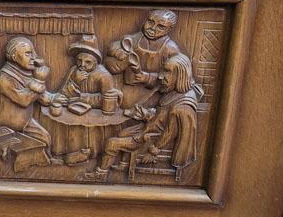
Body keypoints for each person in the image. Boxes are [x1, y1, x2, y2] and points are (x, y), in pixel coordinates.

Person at [87, 53, 203, 182]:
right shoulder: (174, 94)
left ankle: (101, 174)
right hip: (150, 129)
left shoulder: (182, 106)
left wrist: (153, 151)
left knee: (111, 144)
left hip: (150, 139)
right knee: (123, 132)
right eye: (163, 70)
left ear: (181, 75)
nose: (160, 76)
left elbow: (170, 132)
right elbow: (162, 117)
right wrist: (146, 114)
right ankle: (124, 165)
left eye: (167, 72)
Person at [0, 37, 66, 164]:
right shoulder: (5, 78)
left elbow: (41, 96)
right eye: (28, 53)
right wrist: (39, 80)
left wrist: (55, 98)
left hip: (24, 120)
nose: (34, 57)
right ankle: (35, 163)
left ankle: (47, 159)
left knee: (46, 138)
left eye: (33, 52)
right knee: (42, 139)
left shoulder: (24, 72)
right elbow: (24, 100)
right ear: (14, 57)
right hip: (11, 123)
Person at [105, 9, 180, 106]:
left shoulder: (170, 49)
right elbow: (112, 47)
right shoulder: (135, 39)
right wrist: (118, 53)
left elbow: (174, 77)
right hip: (127, 90)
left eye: (160, 27)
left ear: (169, 29)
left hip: (153, 95)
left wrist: (147, 78)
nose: (152, 28)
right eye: (150, 22)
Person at [59, 34, 116, 108]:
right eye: (79, 60)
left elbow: (108, 100)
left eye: (88, 62)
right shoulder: (74, 70)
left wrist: (81, 98)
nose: (82, 64)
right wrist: (75, 82)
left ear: (95, 63)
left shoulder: (104, 76)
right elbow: (63, 94)